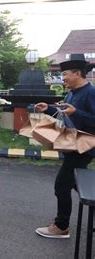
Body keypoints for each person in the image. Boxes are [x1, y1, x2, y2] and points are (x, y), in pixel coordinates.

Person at [35, 54, 95, 239]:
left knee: (61, 186)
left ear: (77, 73)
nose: (63, 78)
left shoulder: (91, 93)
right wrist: (50, 109)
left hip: (83, 147)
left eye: (66, 74)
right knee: (77, 184)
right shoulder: (72, 93)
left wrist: (76, 111)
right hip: (71, 145)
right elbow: (66, 114)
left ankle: (61, 227)